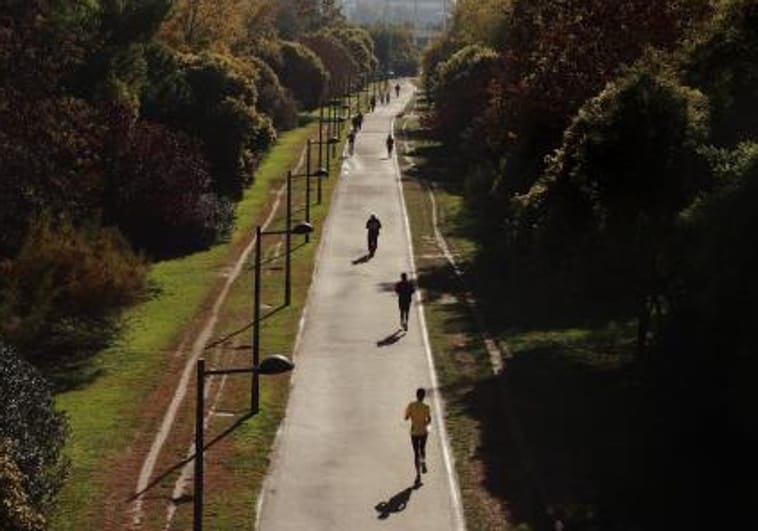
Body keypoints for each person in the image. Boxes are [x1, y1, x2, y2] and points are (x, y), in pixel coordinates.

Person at [404, 387, 431, 484]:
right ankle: (423, 462)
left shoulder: (411, 405)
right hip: (423, 432)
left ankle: (418, 475)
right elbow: (429, 419)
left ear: (416, 395)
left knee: (416, 453)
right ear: (424, 396)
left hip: (414, 432)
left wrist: (411, 416)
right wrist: (427, 426)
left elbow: (406, 418)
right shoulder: (426, 407)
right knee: (422, 448)